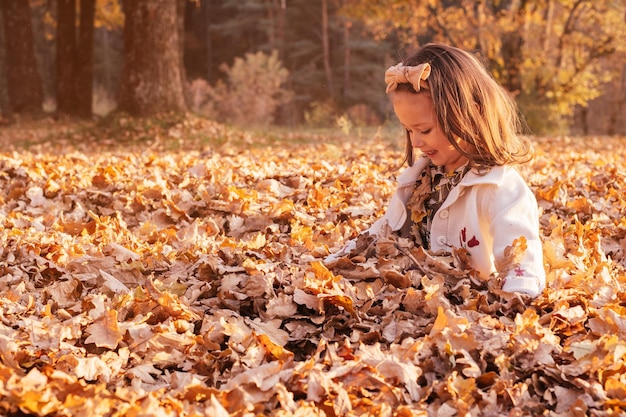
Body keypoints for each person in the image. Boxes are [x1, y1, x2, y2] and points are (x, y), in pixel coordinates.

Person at [326, 43, 545, 297]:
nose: (416, 142)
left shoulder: (500, 187)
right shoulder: (419, 181)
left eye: (424, 130)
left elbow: (521, 257)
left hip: (468, 312)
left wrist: (515, 300)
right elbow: (385, 231)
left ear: (468, 114)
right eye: (409, 130)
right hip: (415, 304)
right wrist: (336, 260)